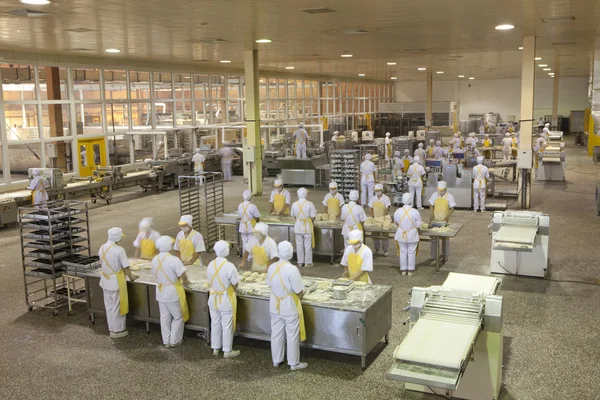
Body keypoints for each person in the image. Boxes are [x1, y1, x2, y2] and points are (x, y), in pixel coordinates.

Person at [267, 241, 307, 370]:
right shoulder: (292, 269)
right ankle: (293, 363)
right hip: (289, 306)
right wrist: (303, 293)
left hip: (274, 304)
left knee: (276, 333)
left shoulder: (271, 267)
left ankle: (276, 360)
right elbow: (298, 290)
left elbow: (270, 284)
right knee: (292, 334)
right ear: (290, 253)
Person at [99, 228, 139, 338]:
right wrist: (131, 277)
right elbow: (126, 267)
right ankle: (118, 330)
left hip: (105, 280)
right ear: (118, 237)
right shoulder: (119, 250)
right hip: (115, 281)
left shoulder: (102, 247)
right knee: (117, 306)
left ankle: (111, 328)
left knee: (109, 306)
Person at [152, 236, 190, 348]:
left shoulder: (155, 259)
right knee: (178, 316)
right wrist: (186, 281)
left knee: (164, 317)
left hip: (160, 290)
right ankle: (175, 340)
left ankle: (166, 341)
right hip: (172, 292)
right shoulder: (174, 260)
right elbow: (183, 276)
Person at [207, 240, 241, 358]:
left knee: (215, 323)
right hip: (225, 299)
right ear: (226, 251)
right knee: (227, 325)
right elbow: (235, 284)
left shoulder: (211, 264)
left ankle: (215, 348)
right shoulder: (229, 266)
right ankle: (227, 350)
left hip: (213, 298)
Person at [394, 193, 422, 276]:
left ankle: (403, 270)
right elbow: (418, 225)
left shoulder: (398, 211)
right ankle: (410, 270)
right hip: (412, 234)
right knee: (411, 252)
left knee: (402, 251)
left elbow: (395, 222)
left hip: (401, 234)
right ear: (411, 200)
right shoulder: (415, 212)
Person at [428, 181, 456, 263]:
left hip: (444, 220)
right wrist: (431, 215)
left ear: (445, 189)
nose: (440, 191)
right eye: (439, 190)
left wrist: (447, 216)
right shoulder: (434, 195)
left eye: (442, 190)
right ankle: (433, 255)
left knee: (445, 238)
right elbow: (431, 205)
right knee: (434, 238)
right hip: (435, 219)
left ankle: (445, 255)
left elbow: (452, 207)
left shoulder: (449, 196)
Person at [291, 188, 317, 268]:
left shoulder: (294, 204)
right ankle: (308, 262)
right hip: (307, 227)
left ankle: (300, 262)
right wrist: (310, 223)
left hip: (298, 227)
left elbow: (294, 216)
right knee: (307, 245)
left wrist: (299, 221)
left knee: (299, 245)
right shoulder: (310, 204)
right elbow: (313, 217)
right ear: (306, 194)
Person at [368, 183, 392, 256]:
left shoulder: (386, 198)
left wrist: (384, 216)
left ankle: (385, 250)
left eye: (378, 190)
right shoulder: (373, 198)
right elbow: (371, 207)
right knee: (375, 235)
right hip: (376, 218)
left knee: (384, 235)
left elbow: (387, 207)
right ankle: (376, 249)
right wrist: (372, 216)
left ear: (381, 190)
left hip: (383, 218)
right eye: (376, 191)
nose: (377, 192)